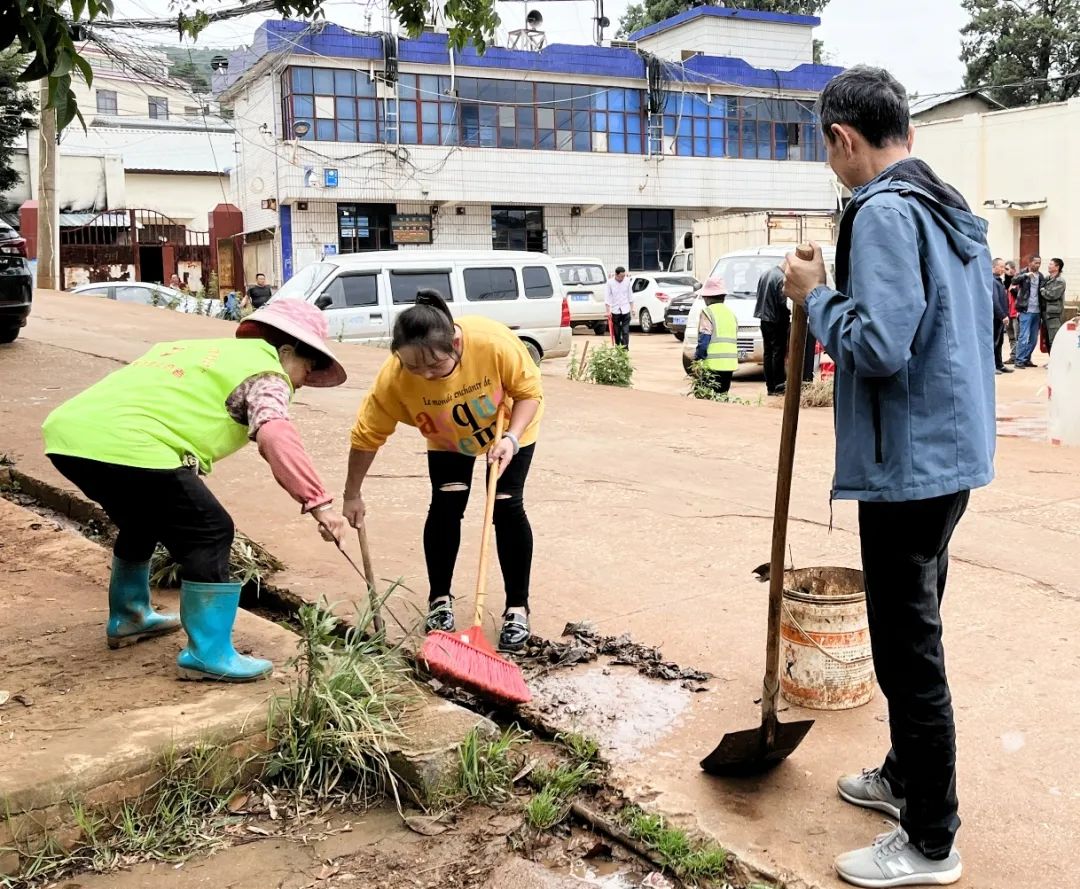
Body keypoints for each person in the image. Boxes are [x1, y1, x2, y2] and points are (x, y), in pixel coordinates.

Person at [784, 66, 994, 888]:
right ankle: (904, 779)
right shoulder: (951, 209)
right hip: (949, 456)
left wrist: (816, 296)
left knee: (909, 652)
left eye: (825, 146)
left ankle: (931, 842)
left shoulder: (881, 212)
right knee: (918, 628)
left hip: (907, 466)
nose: (830, 161)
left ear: (843, 137)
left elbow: (878, 344)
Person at [41, 300, 349, 681]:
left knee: (142, 521)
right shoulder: (268, 374)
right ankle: (208, 652)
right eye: (308, 367)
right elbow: (274, 434)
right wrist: (318, 503)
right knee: (210, 530)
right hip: (133, 445)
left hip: (68, 438)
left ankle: (130, 617)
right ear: (286, 351)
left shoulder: (195, 350)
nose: (304, 380)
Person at [342, 290, 543, 652]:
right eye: (414, 368)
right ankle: (440, 600)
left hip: (509, 430)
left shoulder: (493, 343)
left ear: (456, 342)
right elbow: (367, 436)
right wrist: (352, 493)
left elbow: (529, 392)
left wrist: (511, 440)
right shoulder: (394, 380)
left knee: (506, 505)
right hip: (449, 438)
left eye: (434, 366)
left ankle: (517, 607)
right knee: (447, 506)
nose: (426, 375)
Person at [692, 276, 738, 396]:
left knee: (705, 398)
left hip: (711, 366)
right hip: (729, 365)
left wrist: (697, 361)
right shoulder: (731, 314)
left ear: (707, 297)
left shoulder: (708, 312)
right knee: (722, 398)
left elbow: (704, 341)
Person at [754, 264, 789, 396]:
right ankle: (779, 385)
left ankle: (770, 386)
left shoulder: (765, 274)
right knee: (778, 352)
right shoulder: (781, 278)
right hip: (776, 319)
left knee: (768, 352)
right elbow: (782, 302)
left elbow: (759, 295)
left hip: (764, 318)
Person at [1011, 256, 1045, 368]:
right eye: (1035, 262)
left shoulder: (1040, 276)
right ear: (1030, 263)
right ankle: (1019, 360)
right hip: (1025, 310)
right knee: (1023, 336)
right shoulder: (1023, 273)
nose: (1038, 265)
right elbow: (1013, 280)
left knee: (1034, 338)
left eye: (1039, 263)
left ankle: (1026, 358)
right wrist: (1025, 275)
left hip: (1037, 311)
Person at [1040, 258, 1067, 352]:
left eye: (1051, 264)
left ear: (1057, 267)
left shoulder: (1060, 281)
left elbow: (1052, 295)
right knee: (1047, 339)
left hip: (1053, 315)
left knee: (1054, 339)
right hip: (1045, 313)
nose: (1049, 265)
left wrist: (1042, 290)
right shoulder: (1047, 278)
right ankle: (1051, 360)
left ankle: (1057, 361)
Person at [992, 257, 1012, 374]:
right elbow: (994, 301)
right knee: (993, 342)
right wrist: (1002, 315)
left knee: (999, 342)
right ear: (994, 266)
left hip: (1000, 317)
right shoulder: (992, 281)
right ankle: (992, 366)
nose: (1004, 269)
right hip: (995, 318)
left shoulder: (999, 280)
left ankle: (999, 364)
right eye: (1001, 267)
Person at [605, 267, 632, 349]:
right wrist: (608, 311)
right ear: (616, 274)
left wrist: (632, 308)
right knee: (617, 332)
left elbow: (630, 295)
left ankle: (625, 348)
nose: (622, 278)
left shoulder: (627, 281)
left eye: (624, 276)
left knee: (625, 331)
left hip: (625, 309)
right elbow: (607, 298)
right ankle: (618, 346)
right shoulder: (610, 283)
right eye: (621, 276)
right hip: (615, 310)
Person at [1004, 260, 1019, 363]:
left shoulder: (1018, 280)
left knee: (1018, 336)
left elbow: (1021, 296)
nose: (1005, 271)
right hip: (1007, 313)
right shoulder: (1005, 282)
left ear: (1013, 269)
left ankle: (1019, 357)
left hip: (1016, 312)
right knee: (1011, 336)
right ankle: (1013, 357)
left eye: (1007, 269)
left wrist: (1013, 290)